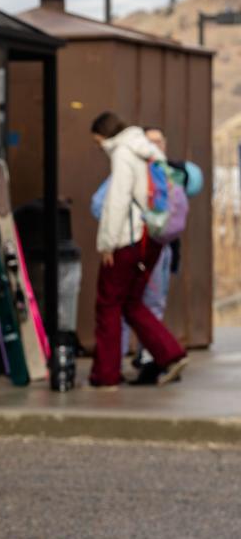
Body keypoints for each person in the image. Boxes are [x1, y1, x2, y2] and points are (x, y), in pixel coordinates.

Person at [89, 112, 188, 389]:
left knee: (108, 304)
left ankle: (105, 375)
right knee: (132, 303)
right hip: (152, 239)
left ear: (104, 135)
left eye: (97, 142)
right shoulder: (149, 151)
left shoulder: (123, 153)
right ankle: (170, 354)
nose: (98, 147)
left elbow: (117, 201)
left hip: (128, 239)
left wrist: (107, 243)